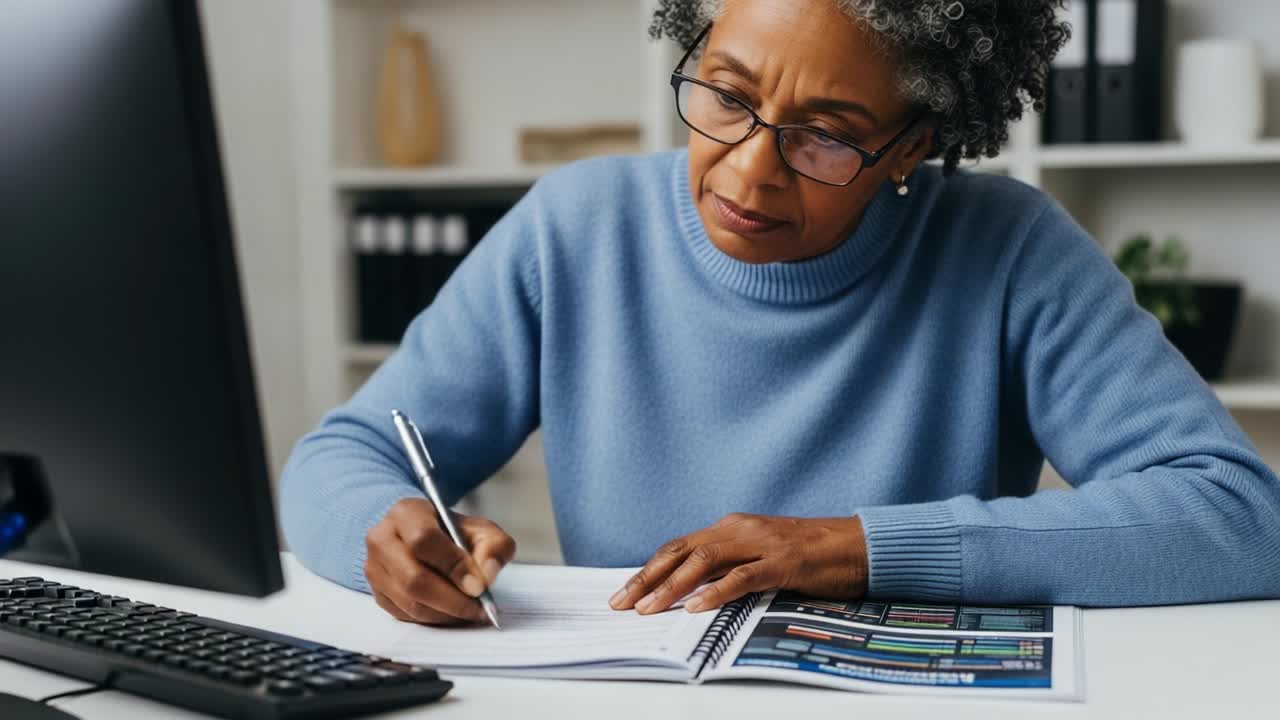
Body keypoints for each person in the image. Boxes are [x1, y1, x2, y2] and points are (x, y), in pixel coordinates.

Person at [280, 0, 1280, 626]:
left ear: (910, 147)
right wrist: (389, 530)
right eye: (725, 95)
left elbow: (1237, 517)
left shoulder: (1005, 248)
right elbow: (342, 454)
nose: (748, 171)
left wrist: (861, 549)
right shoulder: (575, 227)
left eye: (824, 138)